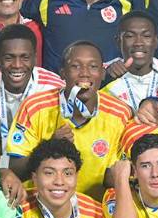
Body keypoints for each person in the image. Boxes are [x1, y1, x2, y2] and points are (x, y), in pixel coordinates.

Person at [7, 41, 131, 198]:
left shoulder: (120, 113)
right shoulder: (34, 107)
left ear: (102, 73)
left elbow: (119, 174)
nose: (84, 73)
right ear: (62, 73)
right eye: (75, 66)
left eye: (93, 67)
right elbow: (15, 171)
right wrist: (49, 148)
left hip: (95, 213)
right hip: (41, 207)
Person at [0, 23, 65, 154]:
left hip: (33, 167)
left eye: (25, 57)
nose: (17, 65)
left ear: (35, 58)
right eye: (9, 58)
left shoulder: (55, 87)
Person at [103, 11, 158, 112]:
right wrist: (104, 80)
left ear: (156, 42)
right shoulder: (102, 72)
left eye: (146, 36)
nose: (138, 43)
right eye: (130, 36)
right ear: (118, 42)